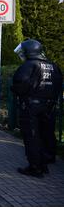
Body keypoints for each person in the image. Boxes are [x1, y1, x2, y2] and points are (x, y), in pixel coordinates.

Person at [12, 40, 63, 178]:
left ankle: (35, 168)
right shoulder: (53, 66)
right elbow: (59, 85)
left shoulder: (29, 65)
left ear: (29, 51)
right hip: (49, 106)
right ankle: (45, 161)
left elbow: (19, 84)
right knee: (46, 134)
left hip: (31, 106)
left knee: (32, 136)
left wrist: (20, 94)